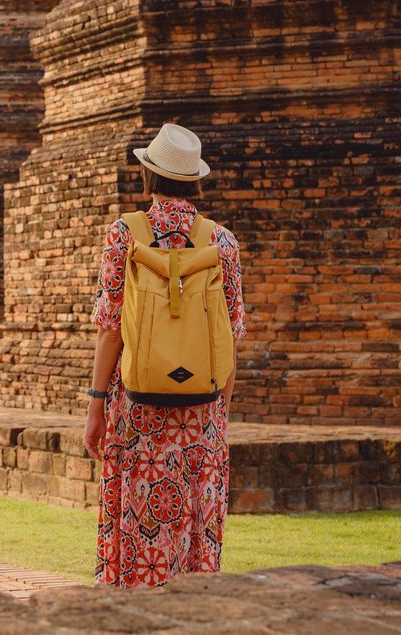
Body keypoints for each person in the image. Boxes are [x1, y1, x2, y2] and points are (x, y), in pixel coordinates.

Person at [84, 123, 246, 588]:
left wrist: (96, 405)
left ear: (147, 178)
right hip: (201, 416)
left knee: (137, 531)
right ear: (195, 182)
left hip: (137, 412)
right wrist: (219, 413)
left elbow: (110, 332)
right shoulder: (221, 243)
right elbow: (230, 338)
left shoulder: (125, 235)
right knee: (194, 534)